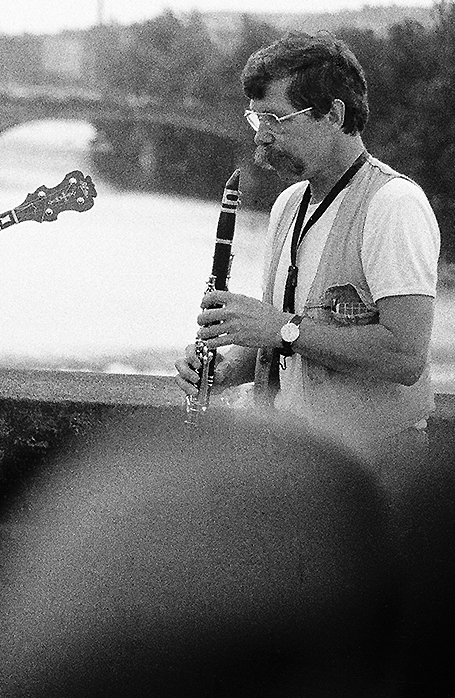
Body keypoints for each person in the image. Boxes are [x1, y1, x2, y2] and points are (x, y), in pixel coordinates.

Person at [176, 31, 441, 466]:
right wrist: (225, 371)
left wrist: (282, 328)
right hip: (289, 464)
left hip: (373, 471)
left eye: (276, 119)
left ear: (333, 114)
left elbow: (405, 355)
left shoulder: (394, 205)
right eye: (255, 119)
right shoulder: (288, 203)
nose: (261, 137)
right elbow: (281, 337)